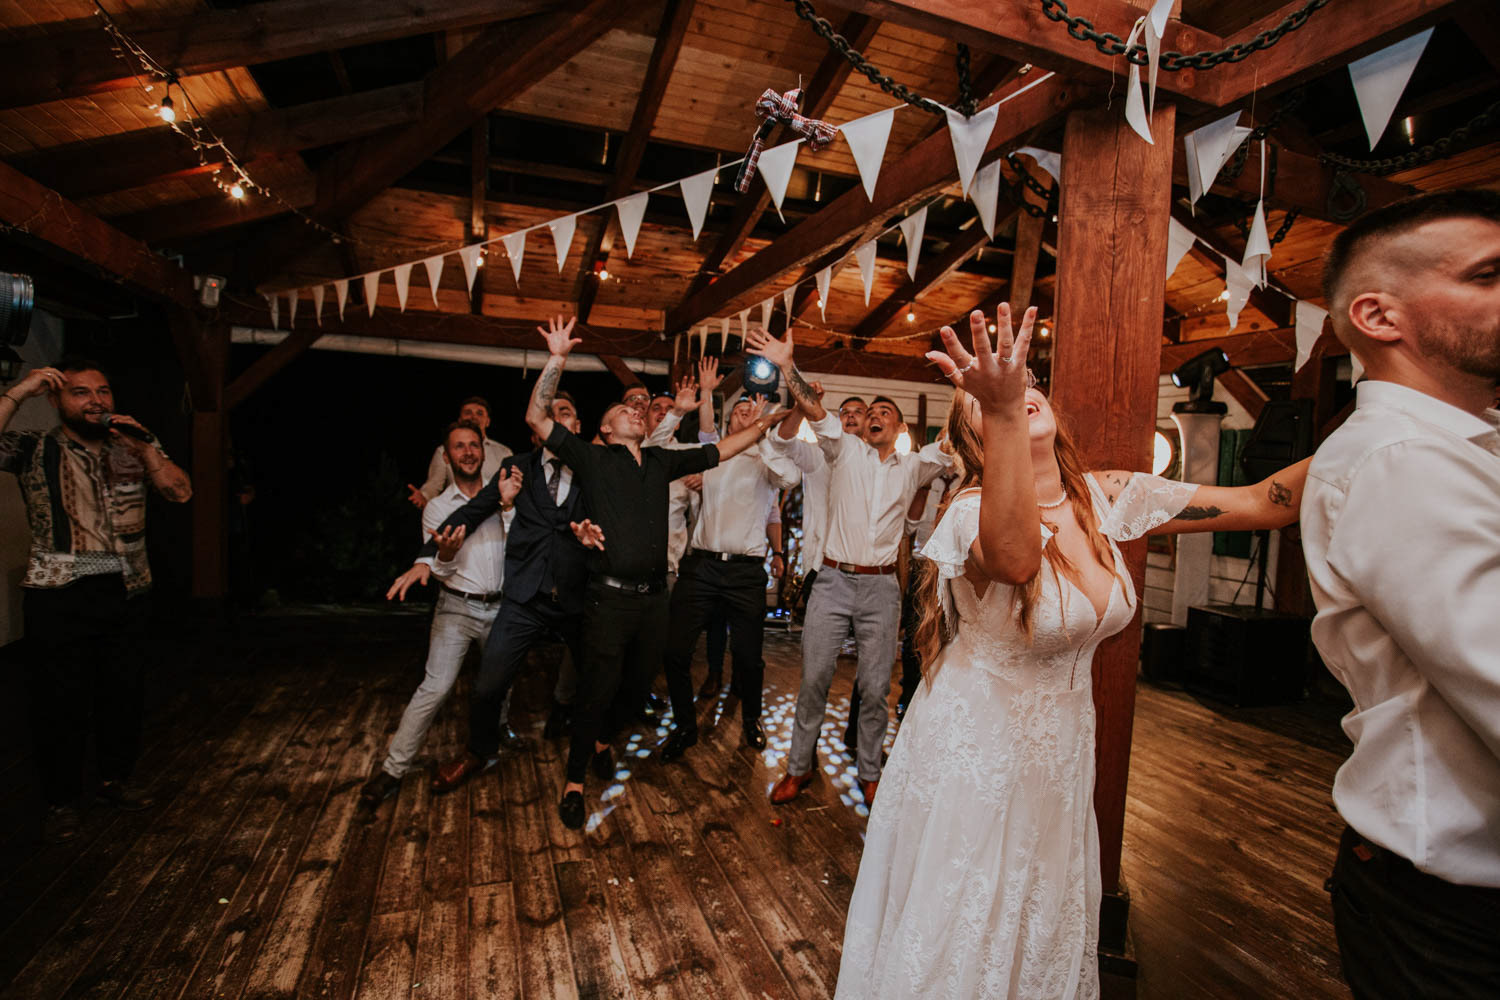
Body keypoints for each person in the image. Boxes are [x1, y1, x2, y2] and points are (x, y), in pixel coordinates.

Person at [834, 306, 1311, 1000]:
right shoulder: (967, 512)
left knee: (1036, 923)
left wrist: (1389, 422)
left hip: (1059, 755)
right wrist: (1003, 409)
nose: (1017, 393)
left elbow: (1266, 502)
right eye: (986, 400)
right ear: (976, 437)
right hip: (976, 756)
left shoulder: (1105, 496)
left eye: (1024, 385)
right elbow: (1017, 560)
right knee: (964, 929)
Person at [1301, 190, 1500, 998]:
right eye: (1488, 275)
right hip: (1453, 915)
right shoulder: (1403, 461)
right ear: (1379, 316)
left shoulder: (1455, 449)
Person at [524, 315, 785, 829]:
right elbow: (536, 416)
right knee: (596, 688)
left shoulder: (662, 461)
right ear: (606, 428)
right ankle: (575, 780)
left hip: (653, 600)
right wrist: (557, 358)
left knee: (638, 685)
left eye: (639, 410)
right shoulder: (592, 458)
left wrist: (768, 422)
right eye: (624, 409)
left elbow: (719, 450)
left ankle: (604, 739)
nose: (636, 411)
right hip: (608, 598)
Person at [750, 328, 952, 807]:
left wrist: (968, 385)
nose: (875, 416)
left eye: (885, 413)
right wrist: (787, 366)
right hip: (833, 582)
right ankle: (798, 768)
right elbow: (813, 408)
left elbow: (952, 440)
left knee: (875, 687)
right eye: (871, 412)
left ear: (899, 428)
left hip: (882, 590)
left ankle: (869, 772)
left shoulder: (915, 465)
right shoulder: (844, 449)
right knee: (814, 680)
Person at [0, 359, 193, 843]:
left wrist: (145, 449)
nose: (95, 401)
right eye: (81, 392)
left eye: (102, 391)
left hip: (127, 587)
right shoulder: (35, 447)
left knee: (122, 694)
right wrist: (20, 390)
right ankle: (61, 801)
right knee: (59, 701)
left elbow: (180, 492)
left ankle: (115, 781)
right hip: (59, 592)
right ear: (56, 400)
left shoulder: (133, 444)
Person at [389, 391, 592, 796]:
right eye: (548, 416)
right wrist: (425, 558)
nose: (556, 421)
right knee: (487, 687)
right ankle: (478, 751)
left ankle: (594, 745)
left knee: (598, 676)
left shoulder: (595, 468)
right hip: (523, 599)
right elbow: (469, 513)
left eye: (565, 414)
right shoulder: (516, 469)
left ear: (578, 427)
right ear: (536, 431)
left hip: (576, 594)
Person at [360, 421, 525, 808]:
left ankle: (498, 728)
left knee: (501, 681)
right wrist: (446, 555)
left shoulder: (503, 494)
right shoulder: (437, 508)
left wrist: (507, 506)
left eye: (474, 445)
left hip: (502, 606)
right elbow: (439, 569)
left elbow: (520, 546)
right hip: (456, 608)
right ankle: (393, 770)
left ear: (483, 451)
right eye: (459, 446)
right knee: (434, 689)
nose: (468, 452)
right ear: (447, 456)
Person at [659, 394, 800, 761]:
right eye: (739, 410)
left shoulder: (766, 460)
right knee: (675, 651)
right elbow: (688, 441)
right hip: (701, 567)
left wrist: (761, 434)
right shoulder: (712, 455)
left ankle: (751, 719)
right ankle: (685, 726)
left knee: (749, 657)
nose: (746, 414)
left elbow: (789, 478)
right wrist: (706, 395)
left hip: (745, 571)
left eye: (752, 411)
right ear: (728, 420)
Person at [408, 396, 512, 509]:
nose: (473, 417)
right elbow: (434, 484)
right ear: (459, 419)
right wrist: (424, 496)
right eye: (468, 412)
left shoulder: (504, 452)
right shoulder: (444, 451)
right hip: (457, 514)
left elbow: (511, 488)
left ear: (488, 421)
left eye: (479, 413)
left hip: (495, 514)